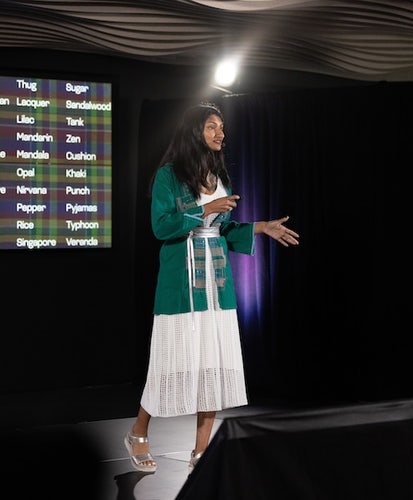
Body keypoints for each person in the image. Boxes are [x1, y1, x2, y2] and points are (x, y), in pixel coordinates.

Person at [124, 102, 300, 473]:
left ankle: (201, 451)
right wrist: (205, 210)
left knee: (213, 368)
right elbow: (161, 227)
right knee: (169, 366)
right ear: (194, 132)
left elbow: (222, 230)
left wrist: (259, 227)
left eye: (222, 127)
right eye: (211, 127)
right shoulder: (169, 177)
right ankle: (138, 432)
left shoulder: (220, 178)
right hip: (179, 288)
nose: (220, 133)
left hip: (216, 288)